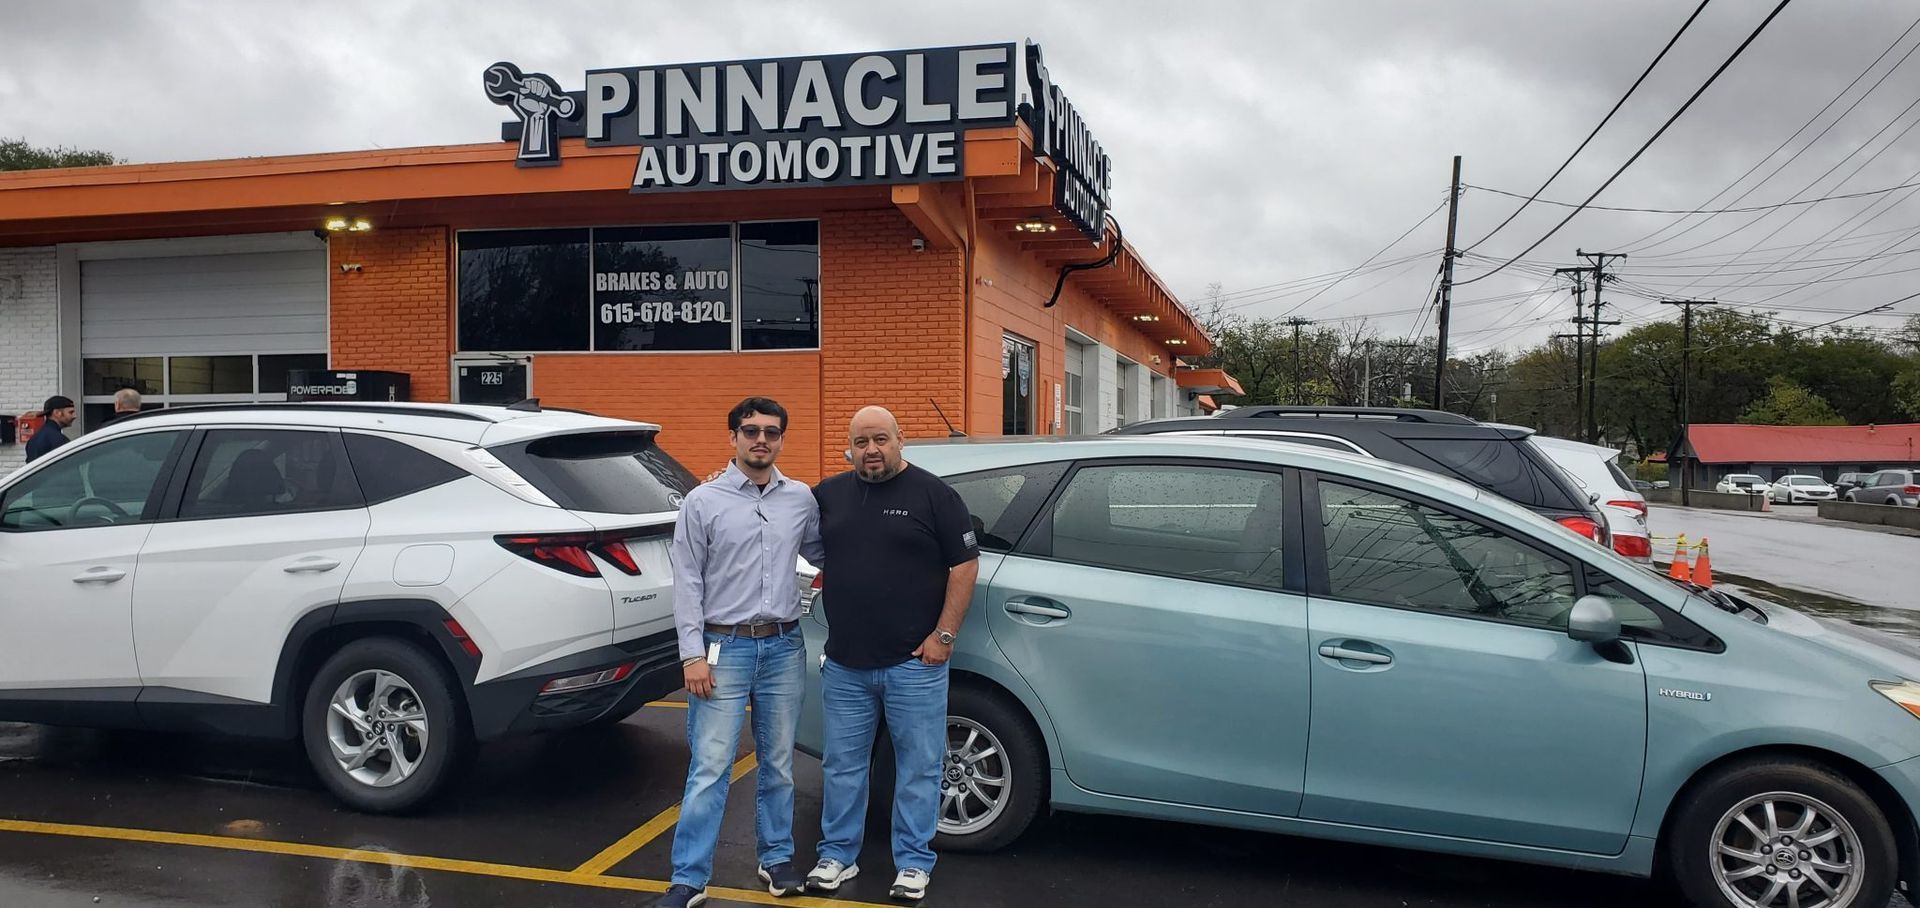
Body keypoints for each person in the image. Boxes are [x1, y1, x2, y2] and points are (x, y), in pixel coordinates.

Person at [806, 406, 980, 902]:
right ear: (850, 447)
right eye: (861, 442)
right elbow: (781, 520)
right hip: (845, 664)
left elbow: (965, 565)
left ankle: (913, 863)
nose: (871, 450)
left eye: (880, 439)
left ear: (900, 440)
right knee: (842, 765)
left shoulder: (935, 495)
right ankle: (837, 856)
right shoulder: (830, 495)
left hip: (914, 664)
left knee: (919, 766)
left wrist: (943, 637)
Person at [658, 397, 824, 908]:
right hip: (720, 647)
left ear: (781, 440)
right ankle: (689, 878)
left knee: (777, 764)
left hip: (782, 646)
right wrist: (690, 655)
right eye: (750, 430)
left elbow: (824, 553)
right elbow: (686, 581)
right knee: (710, 765)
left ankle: (775, 859)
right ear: (732, 437)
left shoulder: (800, 499)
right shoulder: (702, 502)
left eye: (771, 432)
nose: (761, 440)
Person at [24, 395, 75, 463]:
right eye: (70, 412)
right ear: (57, 413)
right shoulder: (58, 439)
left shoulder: (33, 439)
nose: (74, 416)